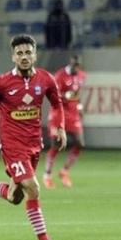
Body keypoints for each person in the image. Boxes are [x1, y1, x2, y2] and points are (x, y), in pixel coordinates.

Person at [0, 34, 70, 240]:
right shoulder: (2, 82)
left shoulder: (45, 79)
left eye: (28, 52)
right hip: (12, 145)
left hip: (34, 144)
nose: (24, 57)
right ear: (13, 57)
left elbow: (57, 104)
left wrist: (60, 127)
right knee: (33, 188)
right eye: (19, 53)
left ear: (35, 55)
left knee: (15, 197)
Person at [43, 55, 86, 189]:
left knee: (80, 143)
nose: (76, 68)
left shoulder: (81, 75)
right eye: (74, 65)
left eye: (78, 66)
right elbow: (52, 95)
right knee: (56, 145)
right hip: (58, 113)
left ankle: (64, 171)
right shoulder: (60, 76)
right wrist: (64, 96)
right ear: (70, 64)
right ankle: (47, 175)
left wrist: (79, 106)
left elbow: (78, 93)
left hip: (73, 114)